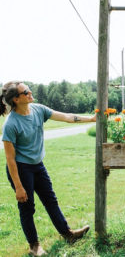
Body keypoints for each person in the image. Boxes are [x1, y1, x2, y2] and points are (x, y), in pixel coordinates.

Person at [0, 81, 96, 256]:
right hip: (21, 169)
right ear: (16, 99)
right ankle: (34, 246)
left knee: (51, 201)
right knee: (27, 207)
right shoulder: (11, 124)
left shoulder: (38, 109)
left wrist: (90, 119)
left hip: (38, 165)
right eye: (26, 92)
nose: (30, 93)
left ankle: (68, 234)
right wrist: (19, 187)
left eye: (29, 89)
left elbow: (66, 117)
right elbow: (10, 159)